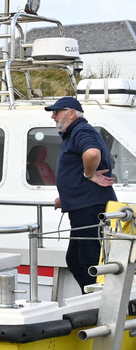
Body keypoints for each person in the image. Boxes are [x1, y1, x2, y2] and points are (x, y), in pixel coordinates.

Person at [46, 96, 118, 289]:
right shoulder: (75, 132)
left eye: (56, 112)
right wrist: (66, 196)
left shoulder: (81, 129)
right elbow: (76, 167)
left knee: (88, 260)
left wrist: (90, 175)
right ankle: (91, 298)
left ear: (71, 113)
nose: (53, 116)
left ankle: (96, 303)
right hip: (83, 207)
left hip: (89, 208)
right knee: (76, 261)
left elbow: (92, 153)